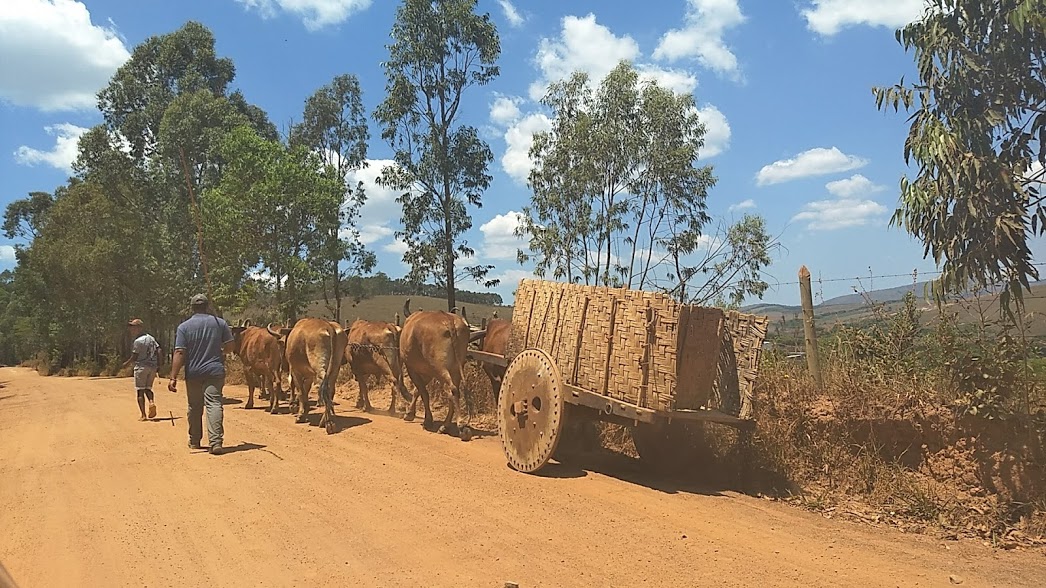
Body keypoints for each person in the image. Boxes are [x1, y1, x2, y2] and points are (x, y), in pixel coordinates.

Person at [167, 294, 235, 455]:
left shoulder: (184, 327)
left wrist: (173, 376)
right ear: (207, 306)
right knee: (214, 404)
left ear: (192, 308)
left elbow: (179, 352)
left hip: (194, 372)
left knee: (195, 406)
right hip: (215, 371)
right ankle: (216, 442)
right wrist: (222, 352)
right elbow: (231, 346)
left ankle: (195, 441)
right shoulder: (220, 323)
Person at [122, 318, 161, 421]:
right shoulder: (151, 338)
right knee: (148, 388)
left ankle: (143, 415)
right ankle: (151, 402)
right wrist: (158, 365)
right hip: (152, 367)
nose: (131, 329)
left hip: (141, 367)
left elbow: (134, 356)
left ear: (139, 328)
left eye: (133, 327)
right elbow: (159, 350)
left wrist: (126, 364)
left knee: (140, 391)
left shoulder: (138, 341)